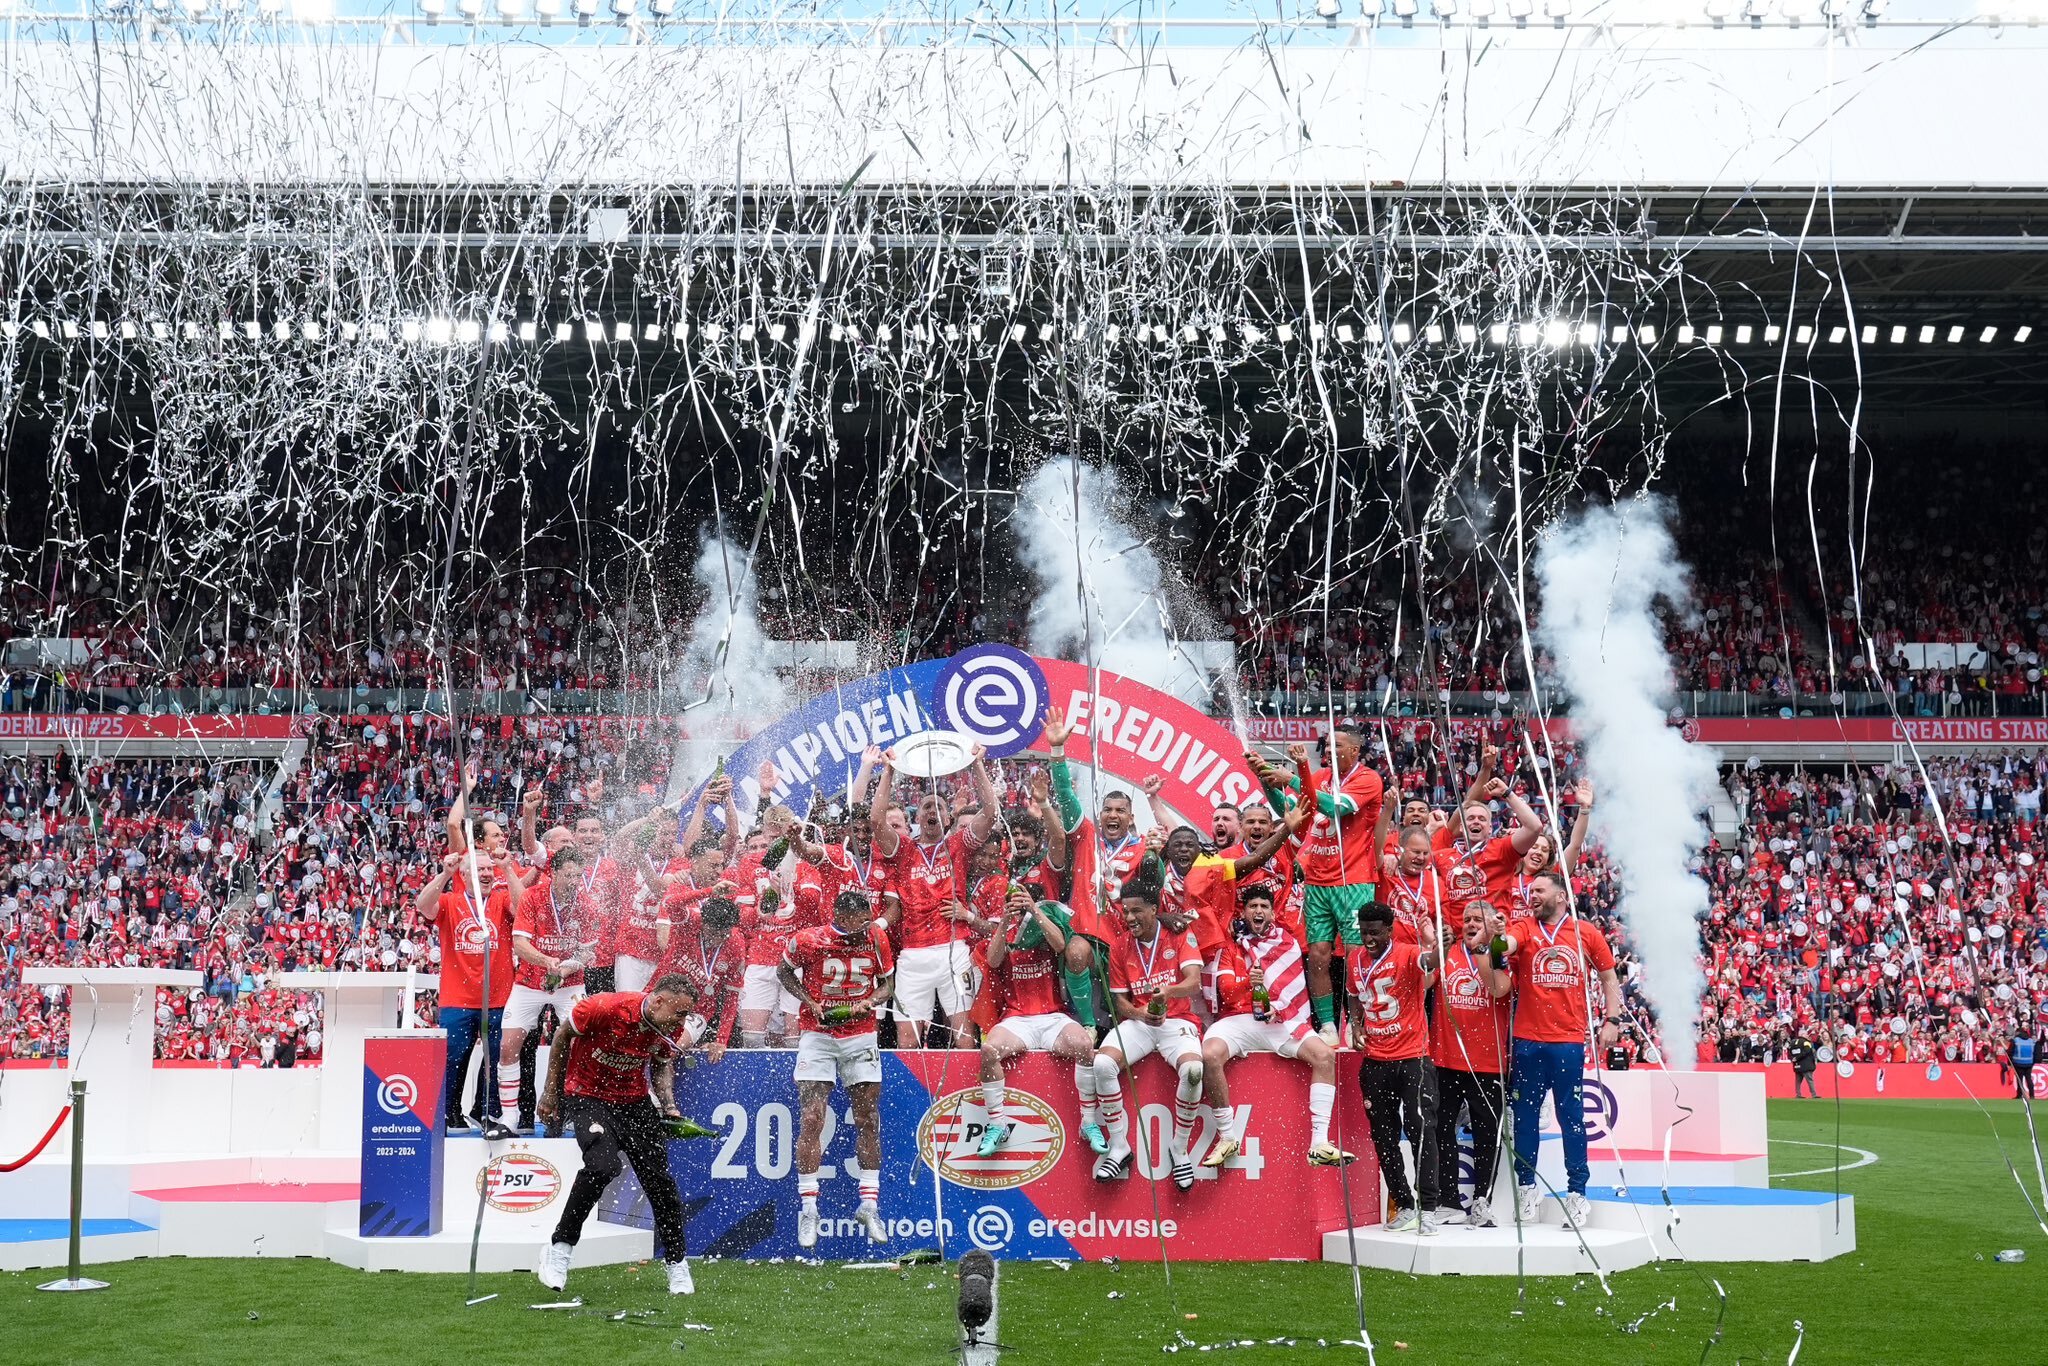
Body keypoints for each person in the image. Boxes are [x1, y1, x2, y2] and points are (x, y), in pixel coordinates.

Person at [535, 975, 706, 1296]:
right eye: (680, 1013)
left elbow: (660, 1064)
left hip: (633, 1102)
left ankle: (677, 1265)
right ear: (657, 1002)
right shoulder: (603, 1008)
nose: (682, 1022)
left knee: (660, 1182)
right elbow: (561, 1036)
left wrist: (668, 1106)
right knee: (602, 1167)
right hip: (587, 1096)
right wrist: (549, 1093)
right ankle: (559, 1248)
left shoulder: (668, 1027)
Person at [1497, 869, 1623, 1228]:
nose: (1532, 896)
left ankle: (1577, 1193)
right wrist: (1493, 938)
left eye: (1539, 891)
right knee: (1525, 1118)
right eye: (1530, 890)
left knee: (1571, 1117)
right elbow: (1504, 946)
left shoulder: (1586, 933)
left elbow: (1609, 976)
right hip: (1527, 1039)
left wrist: (1611, 1021)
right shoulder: (1524, 927)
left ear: (1561, 896)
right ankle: (1527, 1189)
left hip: (1567, 1039)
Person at [1201, 884, 1353, 1171]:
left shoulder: (1288, 944)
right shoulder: (1232, 946)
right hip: (1240, 1020)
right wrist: (1251, 984)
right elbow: (1228, 993)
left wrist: (1276, 1008)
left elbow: (1292, 993)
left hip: (1280, 1020)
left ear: (1272, 912)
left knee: (1324, 1056)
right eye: (1252, 906)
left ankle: (1319, 1143)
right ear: (1243, 912)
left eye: (1264, 906)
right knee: (1209, 1055)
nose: (1258, 911)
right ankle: (1227, 1136)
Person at [779, 890, 897, 1249]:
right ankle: (809, 1209)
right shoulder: (809, 940)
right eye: (860, 922)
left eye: (869, 920)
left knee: (867, 1118)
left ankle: (869, 1205)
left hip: (861, 1037)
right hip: (818, 1036)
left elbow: (888, 984)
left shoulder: (877, 937)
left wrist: (871, 1001)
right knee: (812, 1118)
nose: (867, 928)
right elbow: (783, 972)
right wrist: (810, 1001)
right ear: (842, 919)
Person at [870, 745, 997, 1048]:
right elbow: (876, 821)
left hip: (953, 951)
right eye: (926, 807)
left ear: (948, 817)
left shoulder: (958, 846)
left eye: (938, 807)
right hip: (913, 955)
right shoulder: (903, 850)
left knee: (964, 1036)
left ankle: (966, 1095)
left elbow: (991, 813)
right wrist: (888, 771)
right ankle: (914, 1095)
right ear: (918, 817)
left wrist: (977, 764)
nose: (931, 811)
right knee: (907, 1041)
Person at [1090, 880, 1206, 1190]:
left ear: (1154, 910)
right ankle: (1119, 1146)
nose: (1129, 918)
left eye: (1137, 911)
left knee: (1194, 1071)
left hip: (1177, 1019)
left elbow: (1193, 983)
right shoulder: (1119, 946)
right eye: (1126, 912)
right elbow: (1119, 1002)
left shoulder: (1179, 935)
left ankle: (1179, 1149)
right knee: (1102, 1065)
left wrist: (1168, 992)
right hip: (1141, 1022)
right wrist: (1142, 1014)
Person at [1276, 729, 1387, 1043]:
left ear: (1354, 749)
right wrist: (1265, 777)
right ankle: (1327, 1026)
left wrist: (1295, 776)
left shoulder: (1368, 779)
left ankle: (1355, 1023)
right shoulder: (1321, 774)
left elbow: (1335, 807)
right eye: (1327, 744)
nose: (1329, 748)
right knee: (1319, 956)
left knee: (1355, 957)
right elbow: (1290, 811)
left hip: (1353, 881)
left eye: (1337, 744)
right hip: (1317, 883)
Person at [977, 885, 1097, 1157]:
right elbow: (994, 961)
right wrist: (1006, 920)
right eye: (1014, 902)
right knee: (988, 1051)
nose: (1019, 907)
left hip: (1052, 1017)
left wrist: (1034, 910)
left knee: (1084, 1046)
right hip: (1017, 1019)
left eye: (1023, 901)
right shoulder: (1007, 928)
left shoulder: (1044, 924)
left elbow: (1060, 944)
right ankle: (998, 1125)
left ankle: (1088, 1122)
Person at [1348, 900, 1443, 1234]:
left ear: (1389, 930)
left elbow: (1430, 961)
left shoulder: (1406, 952)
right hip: (1375, 1061)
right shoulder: (1354, 959)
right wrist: (1356, 1025)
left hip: (1413, 1059)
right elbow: (1353, 995)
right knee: (1384, 1138)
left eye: (1375, 932)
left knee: (1421, 1133)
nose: (1369, 939)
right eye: (1364, 932)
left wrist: (1437, 942)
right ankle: (1404, 1204)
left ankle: (1429, 1207)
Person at [415, 845, 521, 1133]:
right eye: (480, 869)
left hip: (498, 997)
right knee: (453, 1058)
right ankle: (449, 1115)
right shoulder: (450, 901)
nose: (486, 873)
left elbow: (525, 909)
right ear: (464, 874)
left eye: (489, 869)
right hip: (457, 998)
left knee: (497, 1059)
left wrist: (509, 869)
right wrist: (444, 874)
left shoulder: (500, 900)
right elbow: (423, 905)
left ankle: (490, 1114)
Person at [496, 843, 595, 1136]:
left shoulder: (587, 902)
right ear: (553, 873)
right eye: (568, 876)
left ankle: (571, 1112)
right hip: (529, 981)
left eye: (578, 876)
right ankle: (509, 1118)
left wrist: (565, 967)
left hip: (570, 984)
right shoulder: (532, 896)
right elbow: (520, 944)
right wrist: (546, 961)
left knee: (581, 1044)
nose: (574, 883)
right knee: (508, 1046)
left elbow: (588, 953)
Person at [1429, 899, 1513, 1228]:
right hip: (1446, 1058)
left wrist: (1483, 948)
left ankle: (1482, 1200)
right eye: (1466, 918)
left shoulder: (1500, 954)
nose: (1470, 923)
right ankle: (1449, 1199)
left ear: (1491, 924)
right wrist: (1431, 947)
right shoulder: (1446, 953)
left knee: (1486, 1134)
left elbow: (1496, 988)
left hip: (1488, 1064)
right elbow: (1421, 984)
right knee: (1441, 1129)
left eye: (1478, 919)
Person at [1791, 1032, 1820, 1100]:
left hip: (1797, 1064)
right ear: (1802, 1035)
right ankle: (1814, 1094)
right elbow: (1807, 1051)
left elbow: (1790, 1051)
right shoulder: (1806, 1042)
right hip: (1806, 1065)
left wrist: (1795, 1058)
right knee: (1810, 1079)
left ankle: (1798, 1094)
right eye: (1806, 1034)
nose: (1807, 1035)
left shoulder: (1793, 1043)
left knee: (1798, 1081)